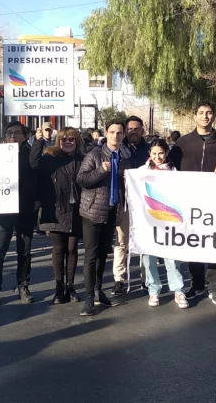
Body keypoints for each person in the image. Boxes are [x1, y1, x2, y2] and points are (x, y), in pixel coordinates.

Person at [168, 101, 216, 305]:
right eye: (201, 113)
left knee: (215, 243)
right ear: (195, 116)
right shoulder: (183, 143)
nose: (205, 116)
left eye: (209, 113)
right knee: (194, 244)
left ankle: (214, 286)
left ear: (214, 116)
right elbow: (169, 169)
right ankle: (197, 283)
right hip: (189, 203)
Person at [77, 120, 129, 315]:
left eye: (119, 132)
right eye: (113, 132)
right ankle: (89, 297)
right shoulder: (94, 155)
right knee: (91, 256)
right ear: (106, 133)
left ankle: (99, 290)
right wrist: (101, 170)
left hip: (112, 211)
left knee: (102, 255)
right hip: (92, 212)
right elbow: (82, 180)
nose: (116, 135)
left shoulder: (124, 157)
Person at [0, 122, 37, 308]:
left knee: (24, 252)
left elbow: (39, 179)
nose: (13, 136)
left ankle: (23, 287)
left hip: (25, 211)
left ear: (25, 136)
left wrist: (35, 204)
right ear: (5, 136)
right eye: (9, 133)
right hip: (1, 212)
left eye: (17, 133)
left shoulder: (32, 156)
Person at [30, 126, 84, 304]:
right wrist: (38, 141)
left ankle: (71, 286)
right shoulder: (50, 158)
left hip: (76, 211)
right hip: (55, 210)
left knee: (72, 249)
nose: (67, 142)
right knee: (59, 250)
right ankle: (59, 288)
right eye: (63, 139)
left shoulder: (83, 159)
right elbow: (34, 164)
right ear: (58, 141)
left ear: (77, 141)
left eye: (71, 139)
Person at [138, 139, 189, 309]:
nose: (157, 157)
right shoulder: (140, 172)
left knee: (172, 257)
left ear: (166, 152)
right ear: (149, 154)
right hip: (147, 221)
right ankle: (153, 290)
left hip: (170, 221)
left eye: (160, 153)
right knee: (149, 258)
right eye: (154, 154)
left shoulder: (175, 173)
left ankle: (178, 290)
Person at [111, 116, 150, 295]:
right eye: (130, 129)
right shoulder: (118, 149)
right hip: (124, 202)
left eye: (137, 128)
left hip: (146, 204)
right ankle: (119, 278)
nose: (133, 132)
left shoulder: (150, 150)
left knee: (146, 242)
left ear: (143, 130)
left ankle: (146, 278)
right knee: (121, 242)